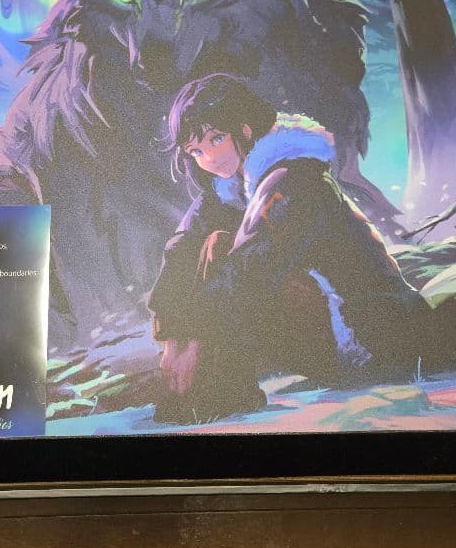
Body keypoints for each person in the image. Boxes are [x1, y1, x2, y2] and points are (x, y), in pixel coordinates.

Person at [147, 74, 429, 424]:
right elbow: (180, 249)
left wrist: (195, 339)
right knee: (211, 243)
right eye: (196, 151)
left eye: (216, 139)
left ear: (245, 128)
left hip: (372, 336)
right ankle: (210, 395)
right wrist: (172, 335)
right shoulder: (227, 186)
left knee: (223, 254)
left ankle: (217, 395)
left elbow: (250, 268)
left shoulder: (295, 176)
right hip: (325, 332)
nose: (210, 158)